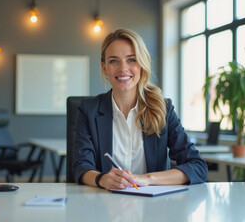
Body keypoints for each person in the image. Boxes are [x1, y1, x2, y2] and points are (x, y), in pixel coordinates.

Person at [72, 28, 208, 190]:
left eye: (131, 60)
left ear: (142, 65)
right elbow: (81, 166)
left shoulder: (162, 109)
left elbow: (197, 167)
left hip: (155, 208)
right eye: (114, 61)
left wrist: (148, 179)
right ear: (104, 67)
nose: (123, 68)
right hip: (105, 204)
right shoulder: (89, 110)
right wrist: (103, 179)